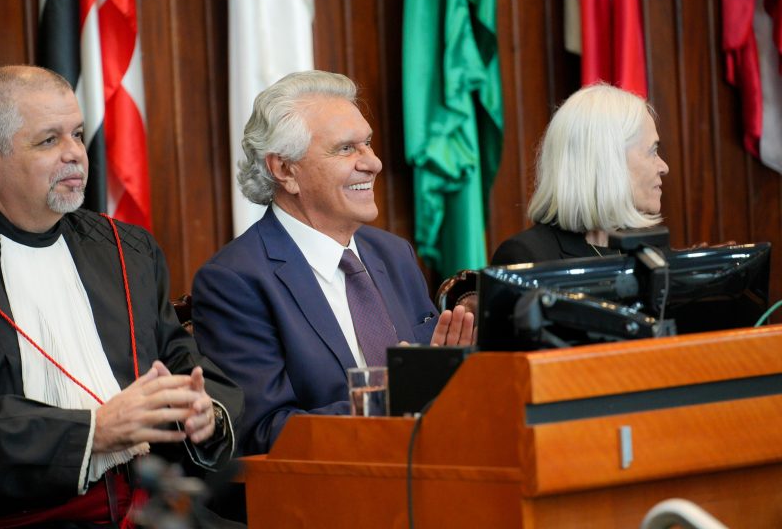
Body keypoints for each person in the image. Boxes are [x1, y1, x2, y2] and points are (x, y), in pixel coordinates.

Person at [0, 65, 244, 525]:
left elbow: (180, 357)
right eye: (49, 141)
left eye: (78, 135)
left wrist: (203, 412)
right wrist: (91, 433)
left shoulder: (127, 248)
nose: (76, 155)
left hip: (149, 510)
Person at [192, 70, 474, 456]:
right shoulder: (235, 280)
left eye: (369, 144)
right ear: (285, 170)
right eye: (346, 149)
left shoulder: (394, 254)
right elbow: (262, 434)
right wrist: (395, 397)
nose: (373, 163)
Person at [492, 83, 669, 265]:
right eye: (652, 151)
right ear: (608, 161)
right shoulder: (526, 256)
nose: (664, 167)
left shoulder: (649, 252)